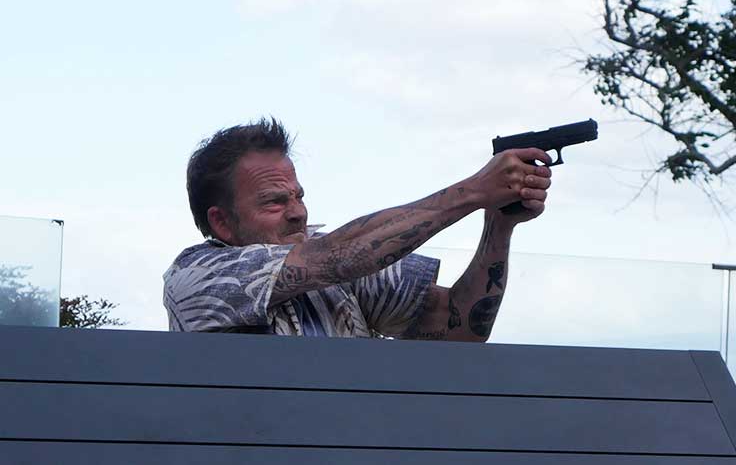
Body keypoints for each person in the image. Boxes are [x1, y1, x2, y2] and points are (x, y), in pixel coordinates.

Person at [163, 117, 552, 341]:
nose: (298, 213)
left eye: (298, 196)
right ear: (221, 222)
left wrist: (498, 223)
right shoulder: (196, 276)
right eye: (274, 202)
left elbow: (457, 328)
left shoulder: (338, 270)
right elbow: (338, 256)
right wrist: (475, 191)